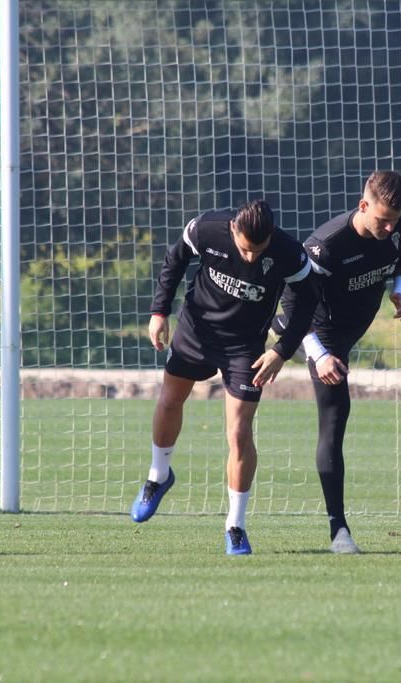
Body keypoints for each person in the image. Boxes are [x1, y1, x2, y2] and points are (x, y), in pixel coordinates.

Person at [131, 199, 316, 555]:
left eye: (257, 251)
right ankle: (158, 477)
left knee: (239, 432)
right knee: (170, 401)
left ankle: (235, 525)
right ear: (233, 230)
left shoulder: (289, 253)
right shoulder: (207, 228)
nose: (250, 258)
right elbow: (175, 260)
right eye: (245, 249)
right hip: (196, 332)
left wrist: (281, 350)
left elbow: (308, 303)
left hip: (245, 348)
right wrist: (159, 310)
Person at [274, 171, 401, 554]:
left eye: (395, 218)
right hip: (322, 333)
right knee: (335, 419)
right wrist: (318, 354)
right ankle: (339, 531)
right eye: (381, 218)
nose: (388, 227)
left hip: (354, 328)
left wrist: (400, 290)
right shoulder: (326, 247)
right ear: (362, 205)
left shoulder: (400, 224)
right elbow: (290, 305)